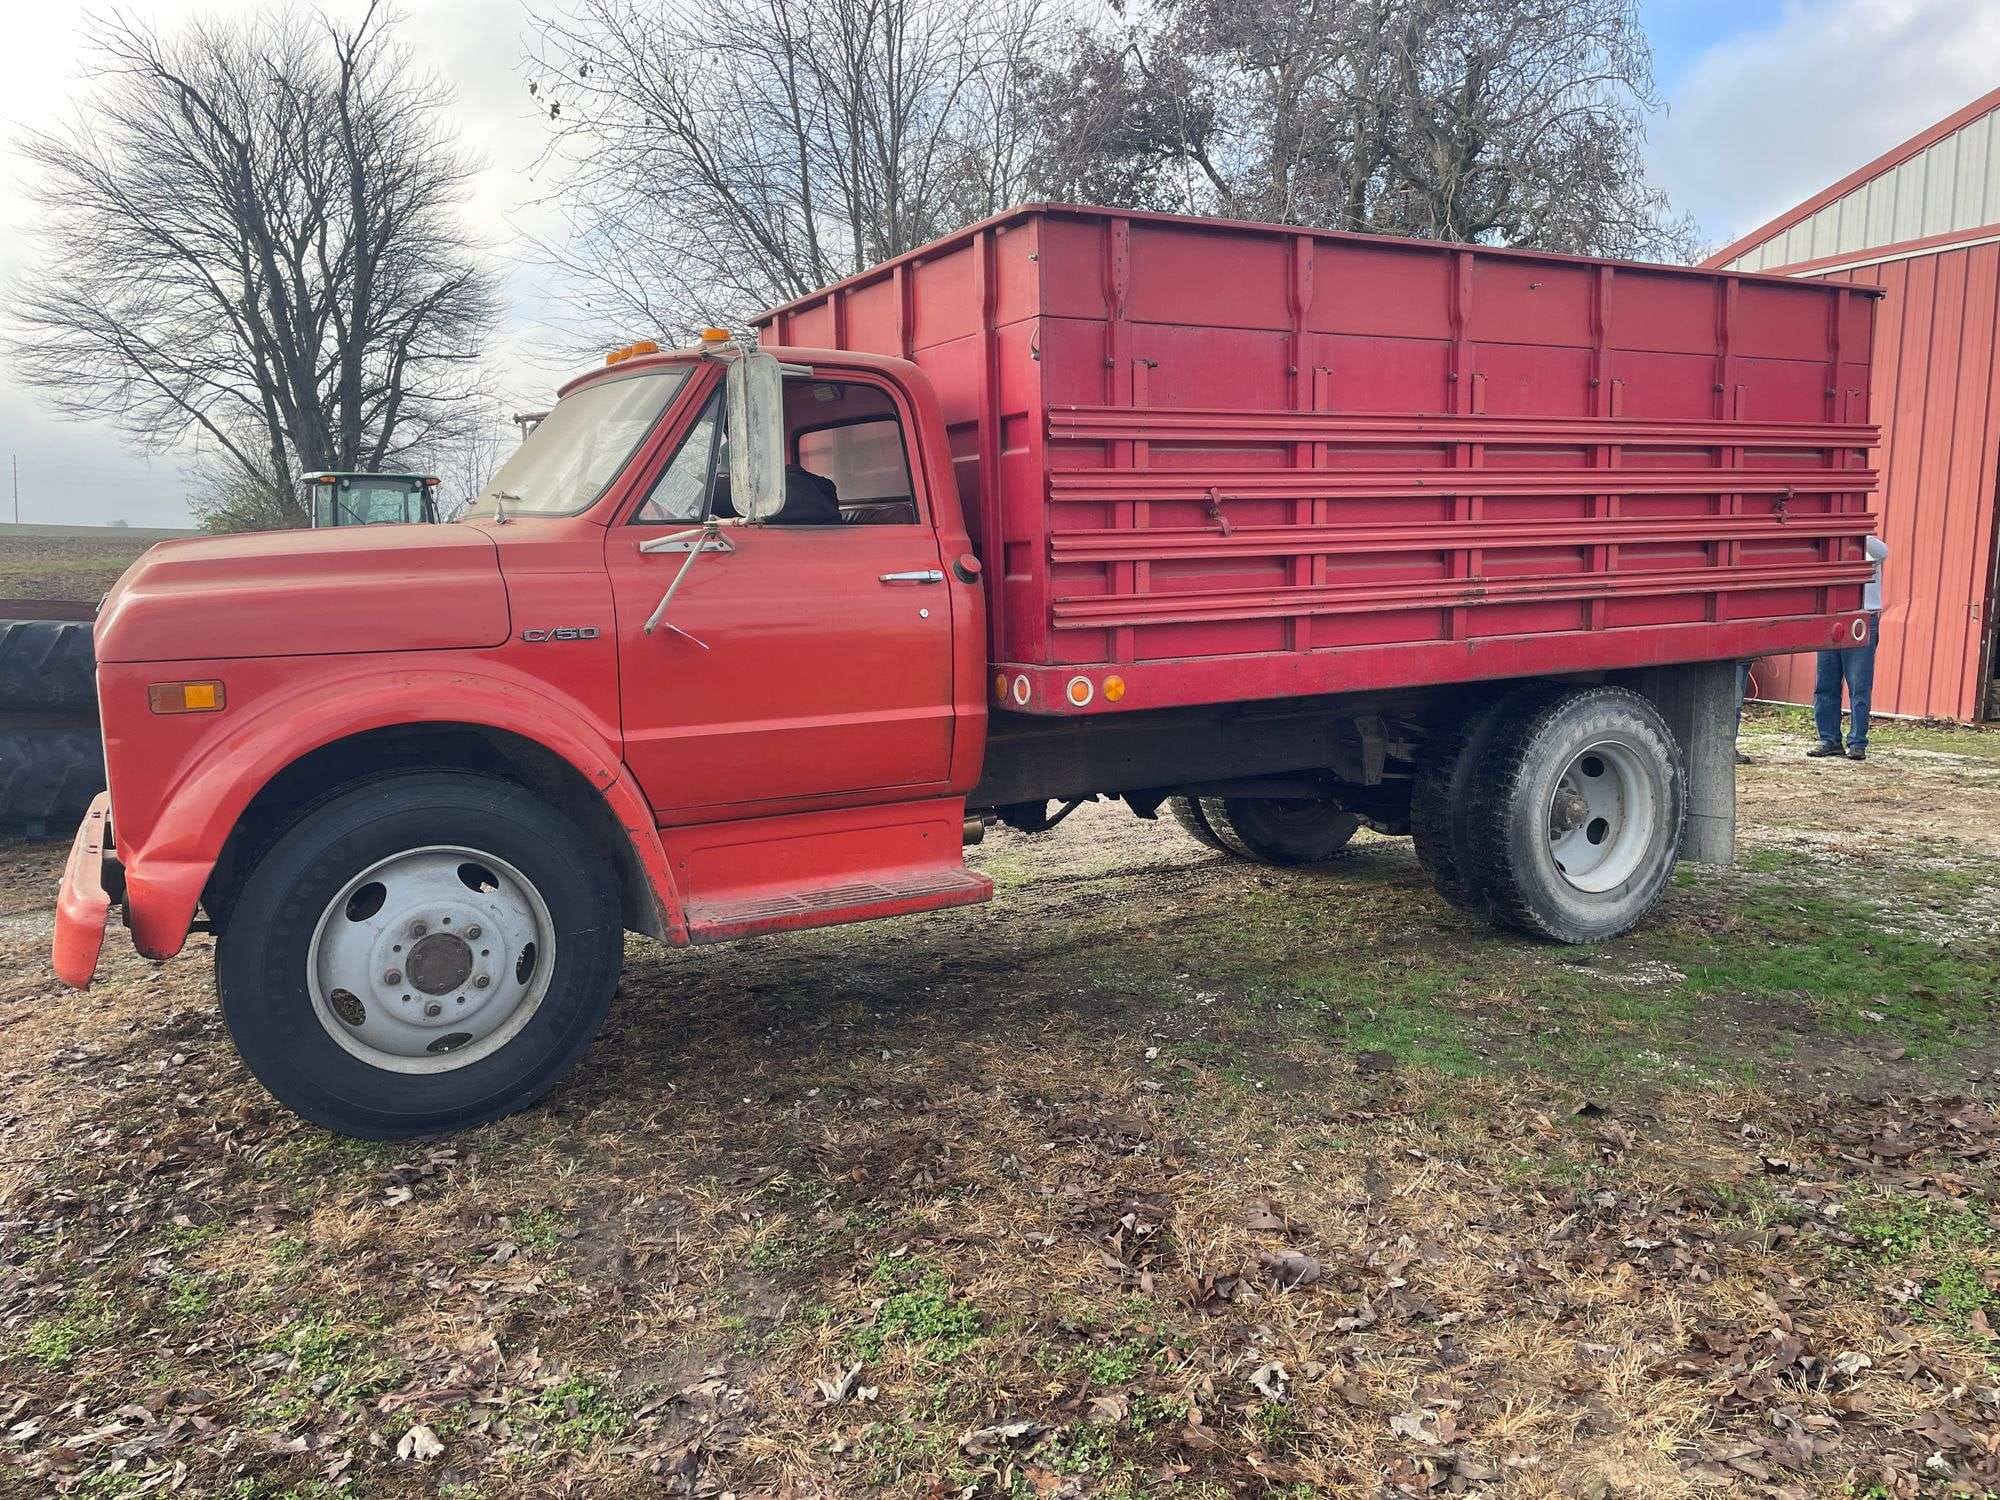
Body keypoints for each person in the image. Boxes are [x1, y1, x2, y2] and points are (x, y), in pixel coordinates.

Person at [1809, 535, 1889, 762]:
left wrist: (1857, 534)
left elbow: (1882, 552)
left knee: (1859, 685)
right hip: (1832, 617)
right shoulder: (1830, 549)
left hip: (1862, 617)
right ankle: (1829, 739)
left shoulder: (1870, 546)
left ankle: (1857, 742)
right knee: (1825, 684)